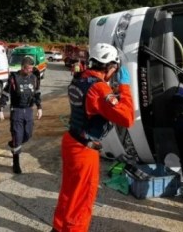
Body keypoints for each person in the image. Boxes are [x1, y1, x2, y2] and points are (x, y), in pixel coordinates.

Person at [52, 43, 134, 232]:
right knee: (82, 198)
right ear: (109, 67)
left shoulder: (80, 79)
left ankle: (59, 227)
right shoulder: (99, 89)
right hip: (84, 149)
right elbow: (127, 118)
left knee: (69, 191)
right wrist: (124, 87)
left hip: (71, 140)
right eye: (114, 68)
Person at [0, 56, 42, 174]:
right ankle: (16, 163)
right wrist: (1, 109)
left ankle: (12, 144)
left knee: (27, 135)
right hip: (16, 111)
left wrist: (39, 107)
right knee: (17, 136)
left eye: (32, 69)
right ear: (23, 68)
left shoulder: (33, 78)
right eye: (28, 69)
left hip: (28, 110)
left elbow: (37, 93)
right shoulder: (14, 78)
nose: (30, 71)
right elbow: (5, 94)